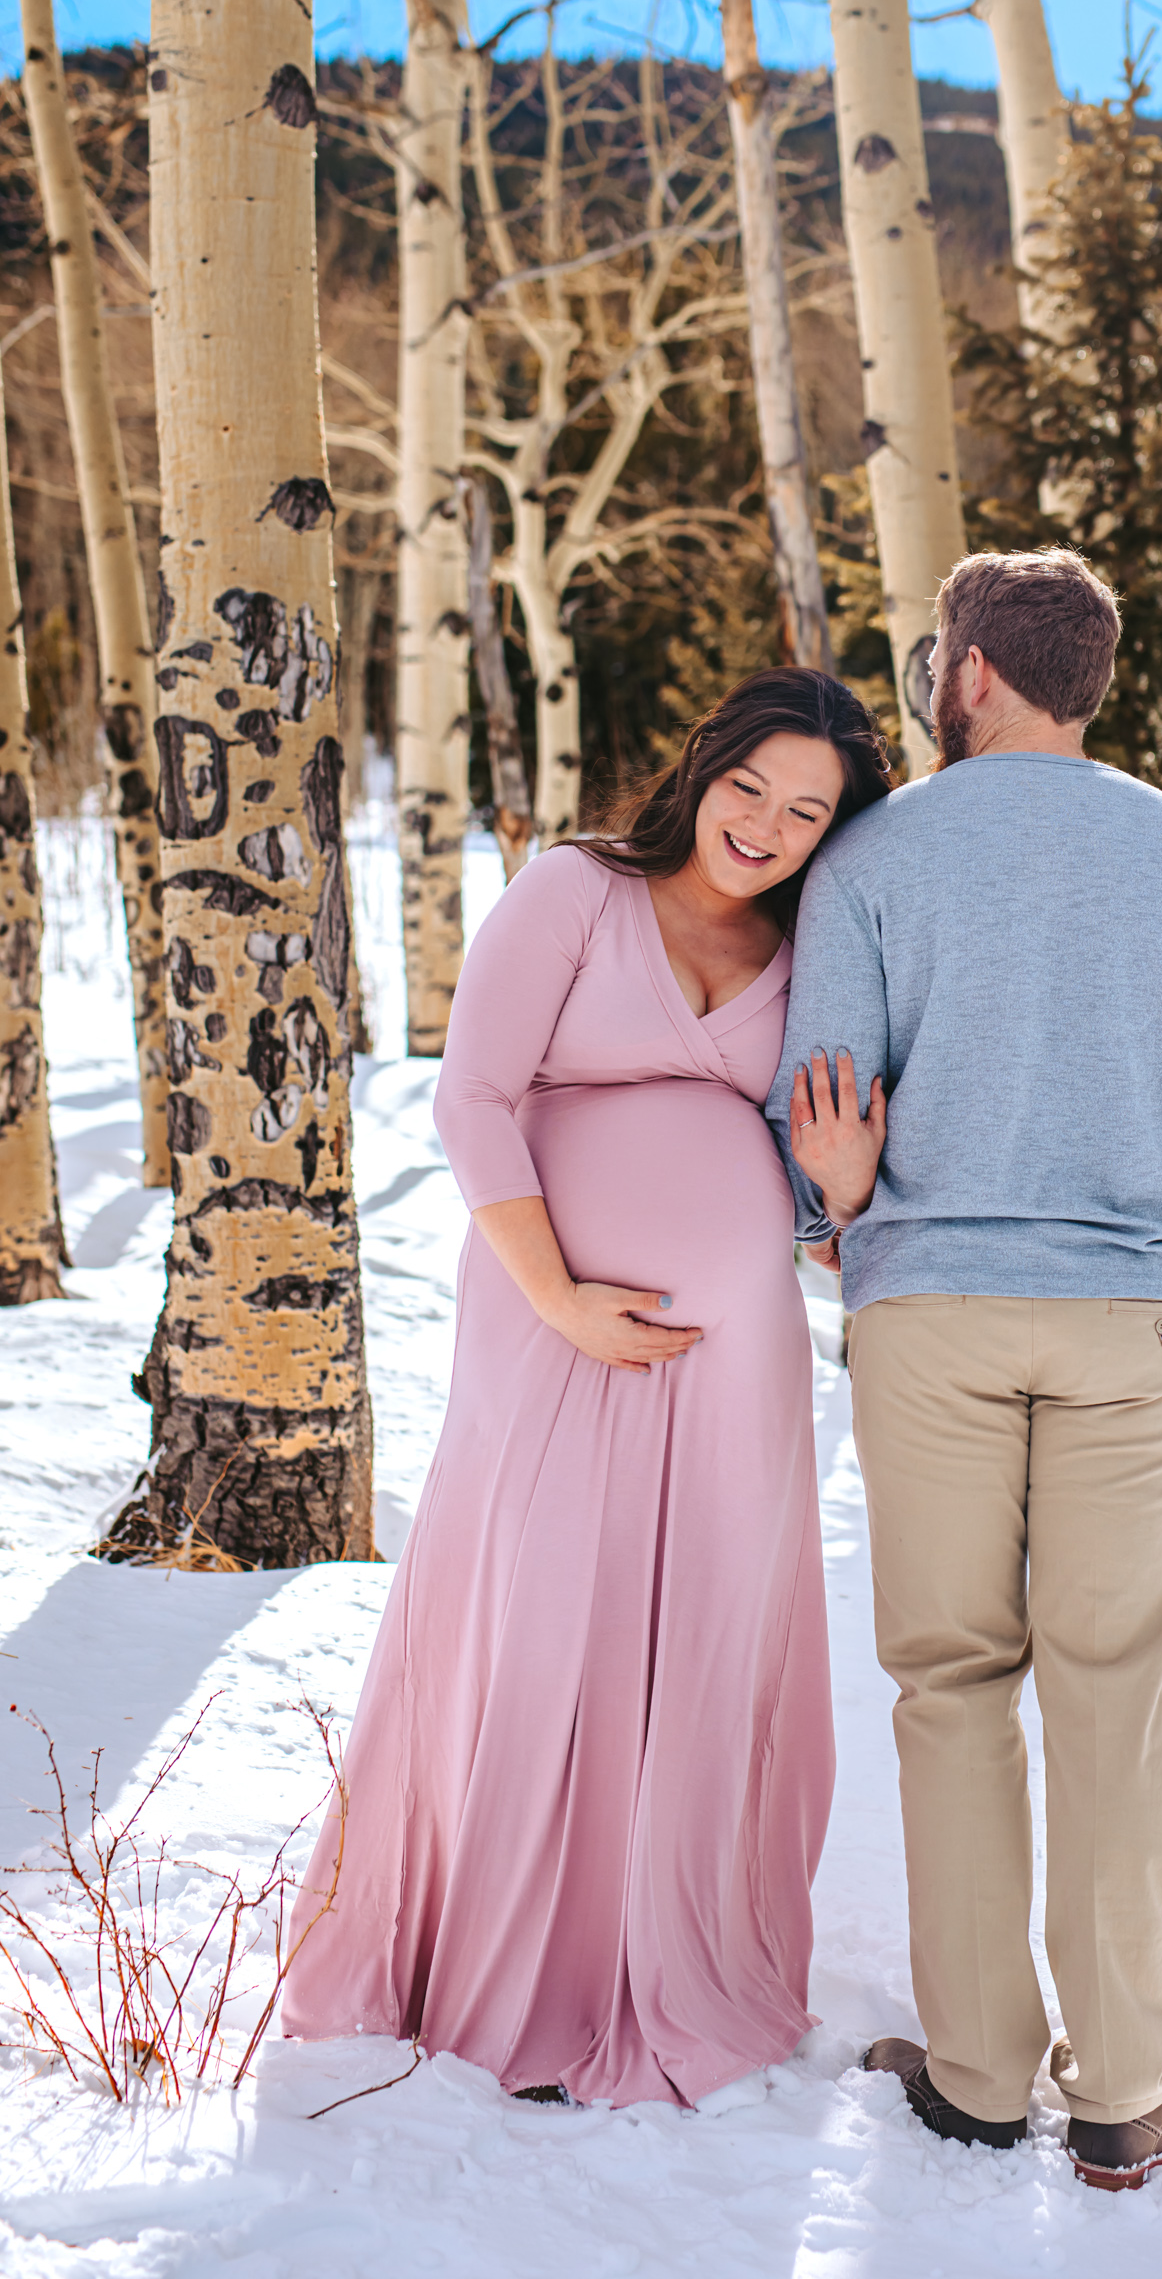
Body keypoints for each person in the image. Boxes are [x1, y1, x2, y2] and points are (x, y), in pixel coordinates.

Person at [283, 667, 891, 2109]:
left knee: (699, 1623)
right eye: (752, 787)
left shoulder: (814, 949)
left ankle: (656, 1950)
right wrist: (557, 1294)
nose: (766, 826)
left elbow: (818, 1161)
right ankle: (494, 1963)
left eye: (808, 811)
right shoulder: (575, 890)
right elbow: (471, 1095)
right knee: (539, 1610)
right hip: (544, 1317)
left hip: (734, 1367)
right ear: (705, 765)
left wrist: (840, 1196)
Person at [770, 548, 1162, 2191]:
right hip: (1133, 1328)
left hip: (927, 1312)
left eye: (939, 661)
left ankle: (982, 2077)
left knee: (951, 1693)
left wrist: (830, 1214)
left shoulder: (869, 859)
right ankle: (1130, 2088)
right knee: (1115, 1705)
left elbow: (819, 1111)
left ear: (975, 673)